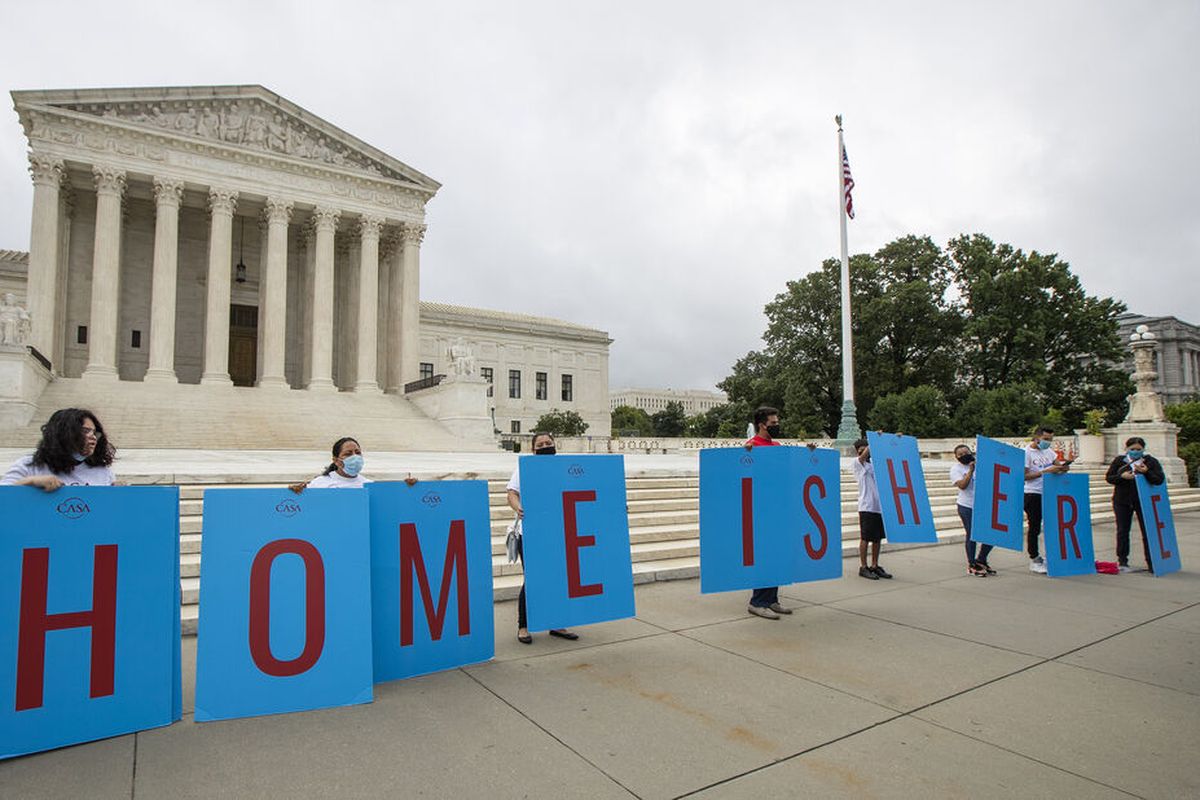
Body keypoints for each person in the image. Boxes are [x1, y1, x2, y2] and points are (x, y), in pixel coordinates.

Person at [508, 431, 578, 644]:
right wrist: (518, 507)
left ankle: (556, 623)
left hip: (557, 532)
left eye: (549, 442)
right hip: (530, 533)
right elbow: (511, 493)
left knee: (558, 578)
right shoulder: (524, 468)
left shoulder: (563, 469)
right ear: (533, 449)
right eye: (541, 444)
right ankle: (524, 626)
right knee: (533, 579)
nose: (546, 446)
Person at [744, 406, 793, 620]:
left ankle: (772, 599)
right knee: (764, 556)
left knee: (777, 555)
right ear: (762, 424)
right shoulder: (751, 447)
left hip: (778, 509)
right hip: (761, 510)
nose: (777, 426)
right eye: (773, 423)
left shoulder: (777, 446)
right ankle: (757, 601)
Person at [1, 407, 115, 490]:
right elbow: (4, 497)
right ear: (64, 434)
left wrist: (119, 493)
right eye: (85, 431)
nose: (93, 437)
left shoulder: (103, 471)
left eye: (95, 432)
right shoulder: (29, 465)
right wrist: (31, 482)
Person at [1105, 436, 1165, 573]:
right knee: (1122, 531)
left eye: (1139, 449)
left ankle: (1151, 561)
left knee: (1147, 531)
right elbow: (1109, 477)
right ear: (1126, 449)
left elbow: (1159, 479)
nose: (1135, 452)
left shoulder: (1150, 461)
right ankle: (1122, 560)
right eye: (1132, 449)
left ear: (1143, 449)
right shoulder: (1120, 461)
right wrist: (1122, 477)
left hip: (1143, 500)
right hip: (1122, 500)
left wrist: (1146, 472)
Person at [1023, 426, 1070, 574]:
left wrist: (1063, 467)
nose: (1048, 442)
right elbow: (1024, 476)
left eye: (1050, 439)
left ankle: (1051, 555)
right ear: (1036, 438)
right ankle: (1034, 558)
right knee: (1034, 526)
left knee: (1052, 525)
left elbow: (1057, 465)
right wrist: (1044, 472)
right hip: (1033, 493)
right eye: (1045, 439)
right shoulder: (1027, 453)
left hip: (1050, 491)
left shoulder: (1048, 451)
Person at [950, 444, 994, 577]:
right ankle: (971, 563)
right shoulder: (956, 469)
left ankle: (981, 559)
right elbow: (962, 486)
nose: (964, 456)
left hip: (983, 504)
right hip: (966, 506)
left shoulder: (982, 465)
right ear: (956, 457)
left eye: (966, 453)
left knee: (991, 534)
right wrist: (970, 471)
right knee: (972, 534)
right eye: (960, 455)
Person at [852, 438, 892, 580]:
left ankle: (875, 565)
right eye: (861, 449)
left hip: (879, 506)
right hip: (866, 506)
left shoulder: (875, 464)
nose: (865, 451)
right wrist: (874, 441)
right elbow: (863, 457)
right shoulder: (857, 463)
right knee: (865, 537)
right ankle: (863, 566)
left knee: (877, 538)